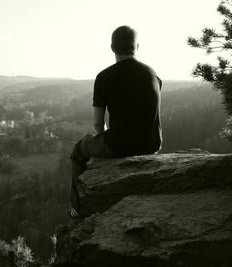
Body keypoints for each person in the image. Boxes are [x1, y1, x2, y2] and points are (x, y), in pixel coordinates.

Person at [68, 25, 162, 218]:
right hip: (152, 144)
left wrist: (105, 139)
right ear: (137, 46)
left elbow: (97, 123)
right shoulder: (153, 74)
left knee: (77, 151)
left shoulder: (104, 77)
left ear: (112, 48)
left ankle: (77, 208)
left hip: (119, 146)